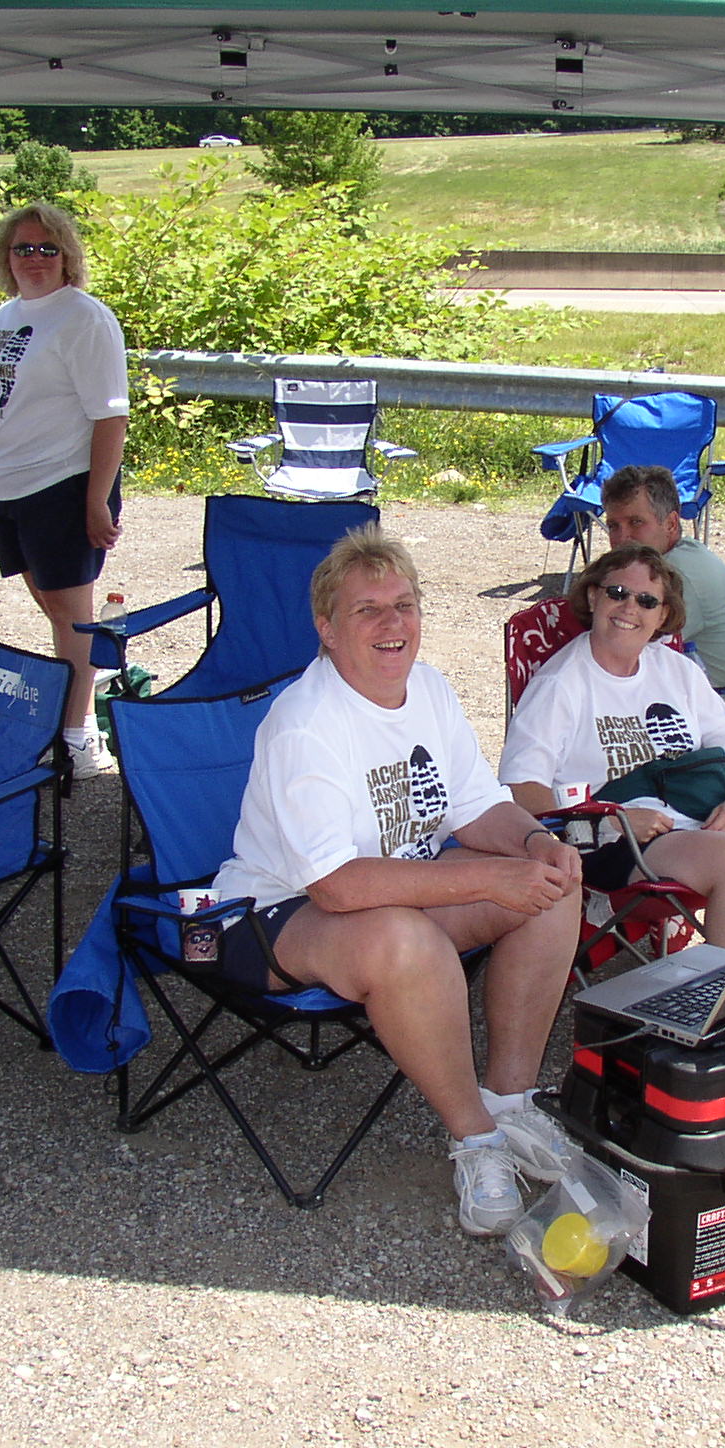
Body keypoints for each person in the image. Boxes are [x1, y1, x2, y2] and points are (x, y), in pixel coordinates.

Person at [213, 525, 584, 1238]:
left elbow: (476, 804)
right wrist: (487, 878)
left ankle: (509, 1102)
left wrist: (537, 842)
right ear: (327, 629)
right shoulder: (307, 723)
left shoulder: (429, 689)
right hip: (273, 913)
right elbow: (336, 886)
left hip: (396, 890)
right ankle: (476, 1139)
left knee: (549, 886)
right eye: (368, 610)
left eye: (404, 605)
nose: (393, 624)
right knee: (405, 940)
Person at [499, 545, 725, 952]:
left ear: (663, 615)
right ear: (592, 597)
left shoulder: (676, 670)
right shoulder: (560, 685)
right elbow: (522, 788)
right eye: (617, 593)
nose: (630, 608)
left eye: (647, 601)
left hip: (701, 818)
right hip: (616, 843)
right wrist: (610, 822)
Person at [0, 201, 130, 777]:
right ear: (6, 257)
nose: (34, 258)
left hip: (62, 484)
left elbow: (111, 415)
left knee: (71, 616)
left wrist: (96, 499)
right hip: (10, 488)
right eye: (23, 248)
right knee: (53, 609)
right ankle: (82, 695)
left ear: (67, 257)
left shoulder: (84, 318)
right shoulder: (5, 317)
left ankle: (77, 738)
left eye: (47, 248)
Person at [600, 463, 725, 747]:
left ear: (671, 524)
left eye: (636, 522)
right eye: (614, 525)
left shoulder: (674, 576)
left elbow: (624, 654)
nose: (621, 538)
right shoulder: (682, 556)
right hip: (717, 708)